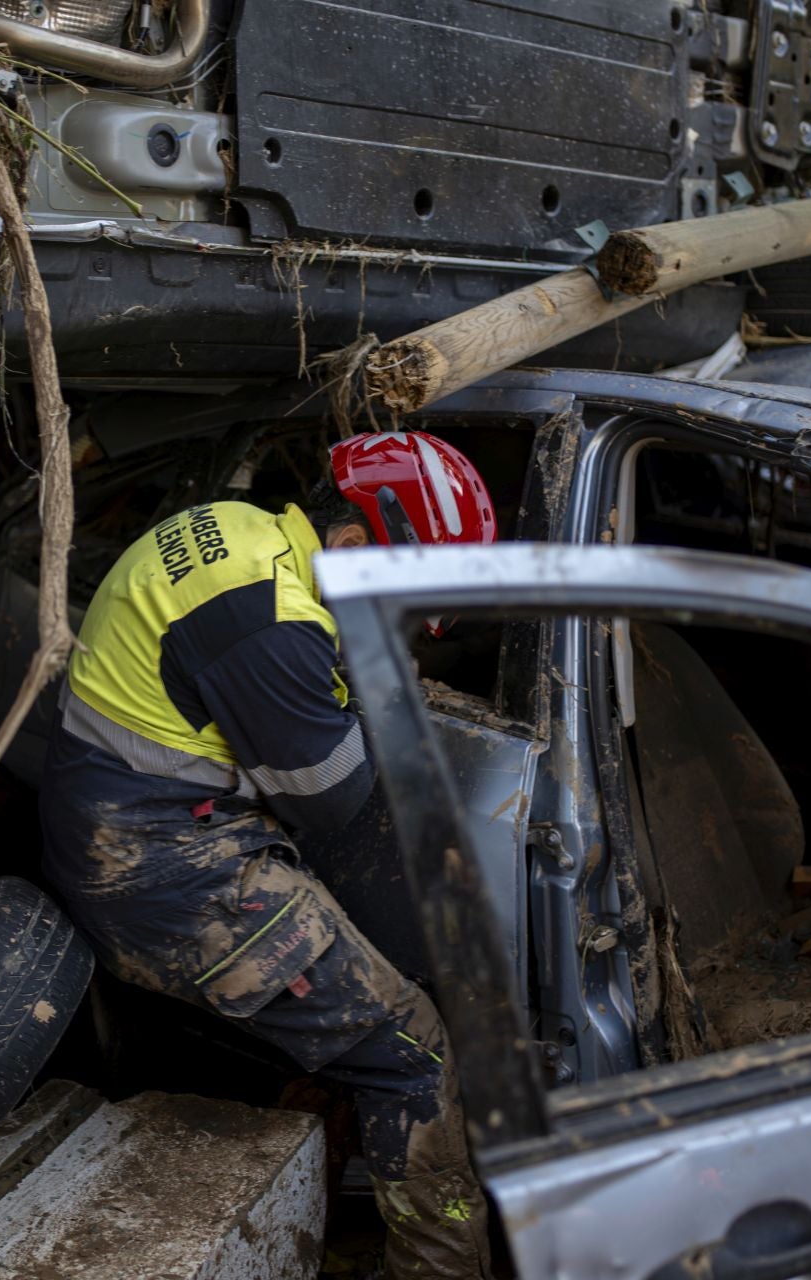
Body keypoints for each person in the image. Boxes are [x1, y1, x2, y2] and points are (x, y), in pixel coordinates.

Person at [40, 430, 500, 1278]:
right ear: (357, 545)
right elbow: (331, 797)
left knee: (360, 1004)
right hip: (169, 872)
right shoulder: (275, 626)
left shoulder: (239, 531)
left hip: (129, 830)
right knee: (413, 1051)